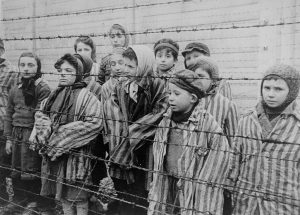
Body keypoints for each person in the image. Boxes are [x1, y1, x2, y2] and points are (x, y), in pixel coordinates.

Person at [148, 69, 231, 215]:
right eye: (169, 93)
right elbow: (157, 156)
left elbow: (218, 163)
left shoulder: (208, 126)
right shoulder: (166, 121)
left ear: (193, 98)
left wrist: (200, 194)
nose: (170, 98)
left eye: (176, 94)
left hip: (194, 191)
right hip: (167, 184)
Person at [29, 53, 102, 215]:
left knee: (78, 197)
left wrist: (62, 137)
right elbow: (41, 114)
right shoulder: (53, 96)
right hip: (55, 157)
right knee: (62, 196)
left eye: (68, 70)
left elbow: (95, 123)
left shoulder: (87, 97)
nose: (63, 73)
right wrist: (45, 132)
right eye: (61, 70)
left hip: (77, 157)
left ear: (78, 73)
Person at [228, 64, 300, 215]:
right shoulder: (247, 119)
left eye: (278, 89)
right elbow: (235, 157)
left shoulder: (297, 124)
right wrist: (229, 185)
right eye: (267, 88)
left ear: (292, 91)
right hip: (246, 202)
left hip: (283, 204)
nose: (271, 94)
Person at [106, 45, 168, 214]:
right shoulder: (121, 86)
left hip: (147, 145)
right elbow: (114, 112)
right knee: (125, 188)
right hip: (125, 146)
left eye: (131, 66)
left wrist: (131, 135)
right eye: (124, 65)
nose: (125, 70)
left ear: (144, 66)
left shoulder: (158, 85)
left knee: (143, 191)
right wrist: (121, 138)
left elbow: (159, 113)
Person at [3, 52, 51, 214]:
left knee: (32, 167)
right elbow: (9, 114)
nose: (26, 69)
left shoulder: (42, 88)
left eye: (30, 65)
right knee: (17, 167)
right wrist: (9, 138)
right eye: (22, 65)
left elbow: (42, 114)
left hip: (33, 135)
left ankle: (35, 202)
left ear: (38, 67)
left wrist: (35, 137)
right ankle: (19, 199)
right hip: (17, 134)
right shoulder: (15, 89)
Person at [188, 56, 239, 146]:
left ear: (213, 80)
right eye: (194, 76)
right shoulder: (187, 100)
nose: (197, 80)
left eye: (201, 76)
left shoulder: (227, 105)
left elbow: (234, 142)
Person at [0, 38, 18, 207]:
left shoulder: (12, 72)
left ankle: (7, 200)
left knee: (5, 165)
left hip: (3, 125)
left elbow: (16, 100)